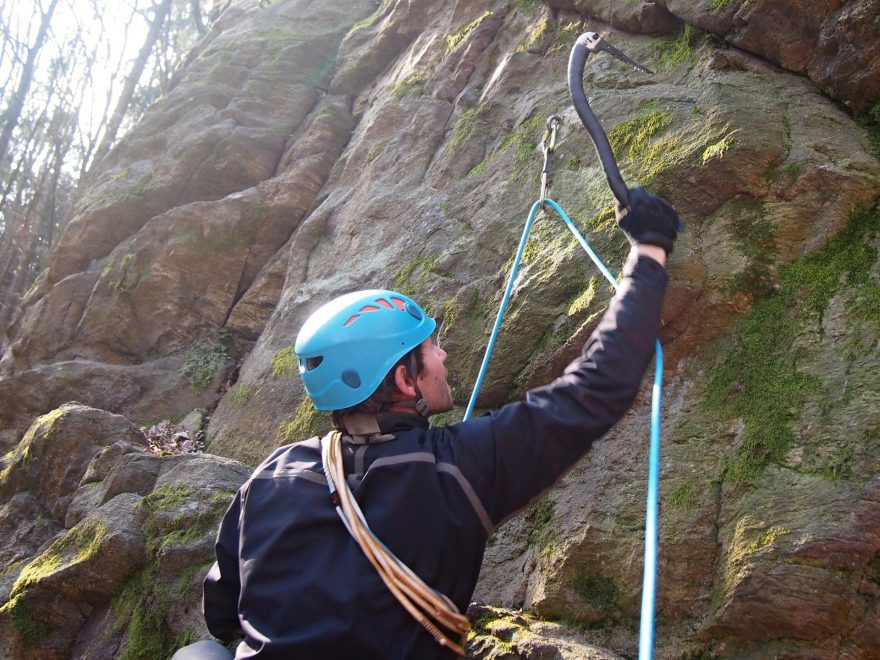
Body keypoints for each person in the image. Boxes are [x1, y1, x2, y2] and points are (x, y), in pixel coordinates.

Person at [198, 187, 679, 659]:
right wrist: (649, 249)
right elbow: (594, 388)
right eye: (431, 349)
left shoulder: (273, 474)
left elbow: (222, 613)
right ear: (407, 380)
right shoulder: (459, 466)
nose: (444, 354)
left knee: (202, 654)